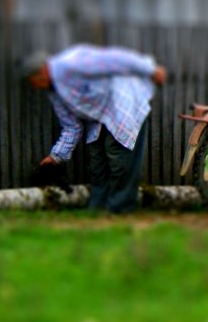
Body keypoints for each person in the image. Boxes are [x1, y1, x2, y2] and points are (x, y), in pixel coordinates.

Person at [21, 44, 167, 214]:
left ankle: (119, 211)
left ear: (41, 72)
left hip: (121, 104)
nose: (34, 86)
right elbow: (71, 126)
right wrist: (56, 157)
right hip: (98, 116)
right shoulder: (53, 92)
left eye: (32, 81)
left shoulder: (71, 63)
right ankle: (96, 211)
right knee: (97, 165)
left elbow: (115, 59)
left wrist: (150, 70)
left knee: (120, 162)